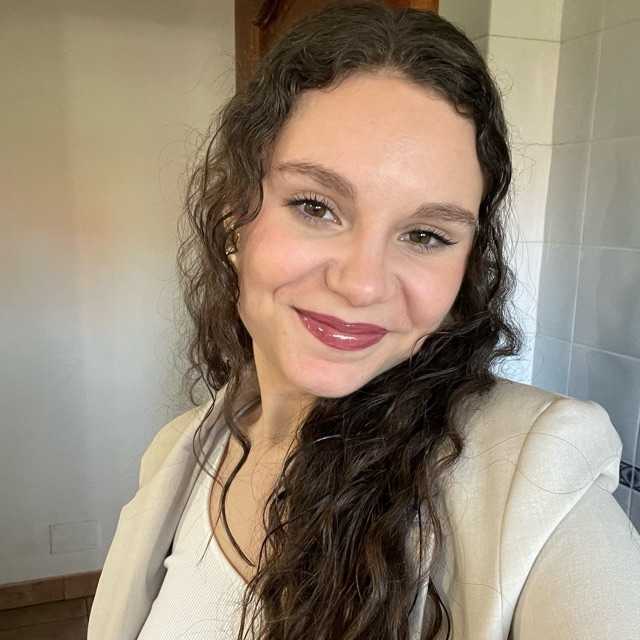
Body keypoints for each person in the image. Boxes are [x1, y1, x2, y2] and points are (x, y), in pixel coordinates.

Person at [88, 2, 640, 639]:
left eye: (426, 234)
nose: (363, 283)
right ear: (235, 216)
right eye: (315, 206)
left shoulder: (535, 475)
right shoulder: (181, 452)